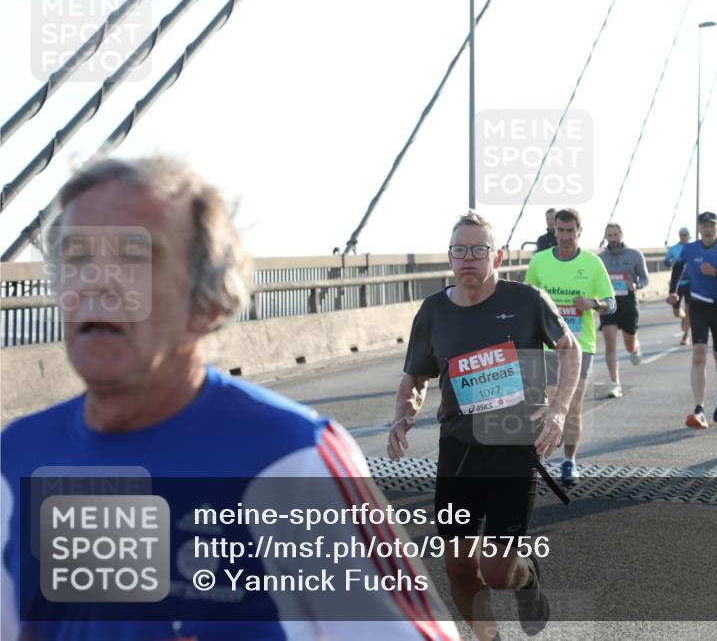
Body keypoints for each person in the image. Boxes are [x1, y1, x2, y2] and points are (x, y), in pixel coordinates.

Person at [1, 157, 459, 641]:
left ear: (209, 303)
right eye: (76, 259)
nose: (95, 282)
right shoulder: (17, 457)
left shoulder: (294, 460)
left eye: (135, 258)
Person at [388, 211, 580, 640]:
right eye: (460, 250)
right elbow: (415, 376)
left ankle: (526, 578)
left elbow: (570, 350)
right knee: (457, 565)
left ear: (498, 256)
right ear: (450, 258)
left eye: (479, 250)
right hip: (458, 451)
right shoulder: (434, 311)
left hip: (514, 448)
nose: (468, 258)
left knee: (496, 571)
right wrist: (404, 412)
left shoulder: (527, 301)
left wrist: (559, 409)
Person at [524, 208, 615, 486]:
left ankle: (569, 461)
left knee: (572, 405)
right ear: (554, 231)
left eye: (569, 231)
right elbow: (528, 300)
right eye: (559, 231)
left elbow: (612, 303)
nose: (564, 236)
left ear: (579, 232)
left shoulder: (592, 263)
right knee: (549, 403)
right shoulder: (539, 261)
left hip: (580, 345)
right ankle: (538, 461)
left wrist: (593, 304)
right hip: (548, 346)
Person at [666, 212, 717, 428]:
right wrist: (673, 291)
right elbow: (678, 267)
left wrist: (716, 273)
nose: (708, 229)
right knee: (698, 355)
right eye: (704, 225)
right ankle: (698, 409)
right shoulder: (690, 249)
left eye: (712, 225)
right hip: (699, 305)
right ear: (699, 228)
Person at [598, 223, 650, 398]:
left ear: (621, 235)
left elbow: (645, 278)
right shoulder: (600, 258)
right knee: (610, 343)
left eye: (615, 234)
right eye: (609, 235)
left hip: (628, 303)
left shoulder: (634, 255)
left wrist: (636, 285)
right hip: (608, 304)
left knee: (629, 345)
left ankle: (635, 349)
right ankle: (615, 383)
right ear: (605, 237)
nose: (612, 238)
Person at [664, 227, 693, 345]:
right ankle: (684, 317)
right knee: (676, 312)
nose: (683, 236)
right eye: (681, 234)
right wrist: (669, 263)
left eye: (685, 234)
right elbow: (666, 261)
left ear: (689, 236)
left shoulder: (694, 248)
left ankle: (686, 336)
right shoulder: (673, 249)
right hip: (677, 284)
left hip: (691, 282)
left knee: (689, 309)